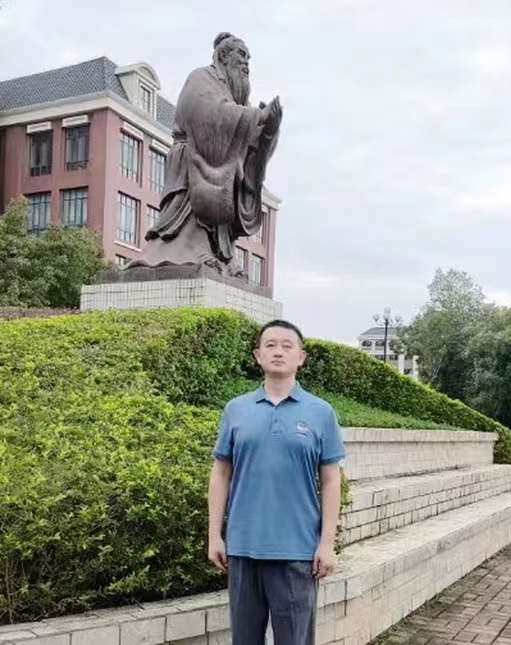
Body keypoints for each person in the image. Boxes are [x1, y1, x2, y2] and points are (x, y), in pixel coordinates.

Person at [208, 319, 345, 645]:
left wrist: (327, 543)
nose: (278, 352)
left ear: (301, 357)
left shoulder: (321, 412)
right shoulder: (236, 410)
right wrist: (215, 535)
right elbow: (220, 472)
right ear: (258, 356)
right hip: (243, 549)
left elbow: (330, 480)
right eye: (270, 345)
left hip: (297, 552)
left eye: (287, 345)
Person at [127, 32, 282, 276]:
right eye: (241, 54)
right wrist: (257, 117)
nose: (246, 61)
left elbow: (249, 136)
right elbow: (207, 112)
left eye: (248, 58)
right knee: (198, 205)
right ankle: (191, 249)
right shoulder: (201, 78)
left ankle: (221, 254)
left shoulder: (235, 98)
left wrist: (268, 129)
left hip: (220, 167)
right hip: (192, 158)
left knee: (229, 181)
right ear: (223, 55)